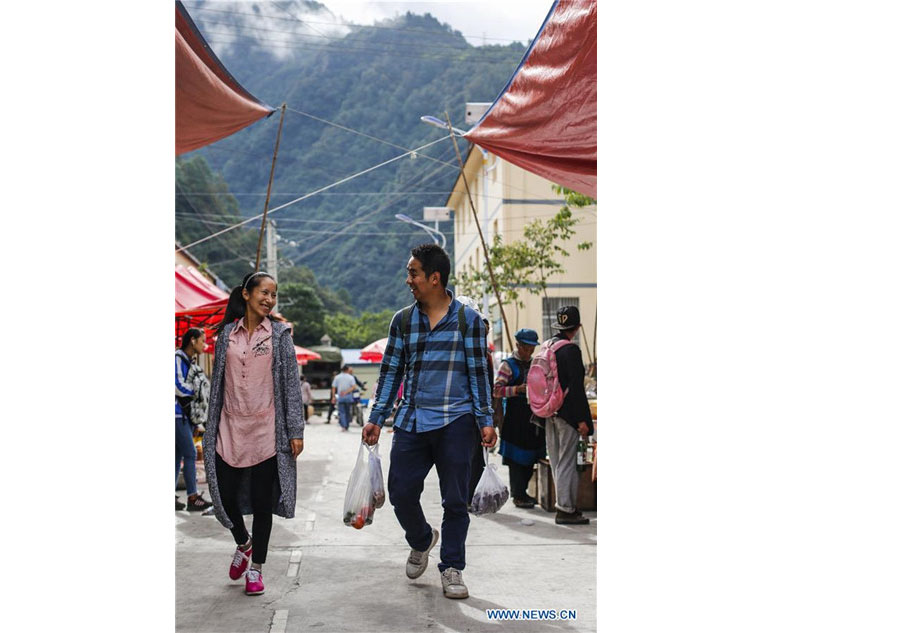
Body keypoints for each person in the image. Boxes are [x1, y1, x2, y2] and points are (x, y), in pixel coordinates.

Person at [363, 243, 496, 600]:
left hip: (457, 420)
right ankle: (422, 539)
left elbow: (478, 372)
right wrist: (377, 417)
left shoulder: (468, 321)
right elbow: (391, 371)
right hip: (412, 419)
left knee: (455, 500)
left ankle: (451, 567)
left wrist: (485, 418)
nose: (408, 279)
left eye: (413, 273)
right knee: (401, 492)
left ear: (434, 278)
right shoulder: (403, 321)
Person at [202, 271, 305, 596]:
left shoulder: (279, 335)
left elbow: (290, 384)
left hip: (266, 431)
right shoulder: (226, 336)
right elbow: (217, 384)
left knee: (262, 503)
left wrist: (295, 429)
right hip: (228, 429)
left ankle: (256, 568)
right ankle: (242, 542)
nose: (269, 299)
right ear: (246, 294)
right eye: (264, 292)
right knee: (226, 497)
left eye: (273, 294)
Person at [542, 306, 594, 525]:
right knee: (566, 462)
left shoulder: (547, 346)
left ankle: (563, 504)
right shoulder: (571, 351)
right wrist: (584, 421)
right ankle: (566, 509)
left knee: (556, 460)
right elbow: (576, 391)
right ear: (578, 327)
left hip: (547, 411)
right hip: (567, 415)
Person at [494, 328, 545, 508]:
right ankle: (518, 495)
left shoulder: (535, 365)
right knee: (516, 460)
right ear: (518, 345)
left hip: (532, 418)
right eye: (526, 348)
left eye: (532, 349)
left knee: (531, 457)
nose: (529, 352)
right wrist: (516, 390)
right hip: (515, 419)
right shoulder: (507, 366)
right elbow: (497, 390)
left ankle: (523, 493)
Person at [176, 328, 213, 512]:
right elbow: (176, 385)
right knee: (190, 453)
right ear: (192, 340)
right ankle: (192, 496)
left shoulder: (189, 362)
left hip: (186, 415)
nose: (204, 345)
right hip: (177, 414)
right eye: (202, 341)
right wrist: (196, 392)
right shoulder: (177, 359)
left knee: (176, 456)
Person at [331, 365, 356, 432]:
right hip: (348, 397)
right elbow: (354, 387)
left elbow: (333, 387)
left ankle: (343, 426)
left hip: (340, 397)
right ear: (347, 370)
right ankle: (347, 425)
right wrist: (346, 392)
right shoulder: (351, 377)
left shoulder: (337, 377)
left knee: (342, 412)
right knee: (348, 412)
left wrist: (333, 397)